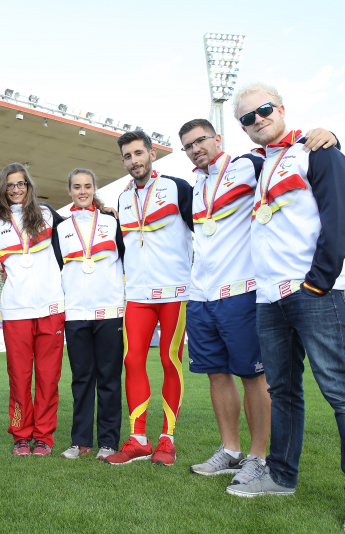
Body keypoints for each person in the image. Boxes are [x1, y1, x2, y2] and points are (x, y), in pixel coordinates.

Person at [227, 83, 345, 534]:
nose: (256, 120)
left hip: (312, 292)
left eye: (262, 111)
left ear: (280, 109)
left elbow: (342, 212)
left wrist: (319, 279)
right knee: (284, 391)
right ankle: (281, 475)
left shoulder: (316, 151)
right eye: (246, 117)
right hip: (268, 297)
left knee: (341, 392)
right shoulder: (261, 165)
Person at [180, 119, 337, 485]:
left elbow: (285, 155)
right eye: (188, 145)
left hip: (241, 289)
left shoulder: (249, 166)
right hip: (200, 295)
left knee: (253, 375)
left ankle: (259, 456)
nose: (196, 148)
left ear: (217, 138)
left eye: (201, 140)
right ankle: (230, 450)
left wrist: (328, 136)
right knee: (216, 374)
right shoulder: (195, 186)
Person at [106, 130, 193, 467]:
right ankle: (138, 439)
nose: (133, 161)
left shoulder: (177, 188)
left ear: (152, 154)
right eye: (127, 156)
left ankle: (167, 440)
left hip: (174, 292)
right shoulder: (123, 199)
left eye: (138, 153)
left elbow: (201, 229)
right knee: (132, 361)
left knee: (171, 361)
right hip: (138, 294)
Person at [0, 163, 66, 457]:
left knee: (48, 377)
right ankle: (21, 434)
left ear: (29, 185)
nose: (16, 189)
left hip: (50, 307)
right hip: (15, 309)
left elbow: (78, 230)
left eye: (21, 183)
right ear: (3, 189)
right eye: (10, 185)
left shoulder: (46, 214)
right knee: (19, 378)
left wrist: (102, 208)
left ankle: (44, 436)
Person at [57, 169, 125, 461]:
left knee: (109, 378)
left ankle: (108, 441)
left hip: (109, 311)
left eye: (87, 186)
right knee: (81, 379)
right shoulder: (60, 229)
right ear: (69, 191)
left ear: (94, 189)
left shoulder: (112, 223)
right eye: (76, 187)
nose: (82, 191)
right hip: (75, 314)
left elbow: (126, 257)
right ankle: (81, 441)